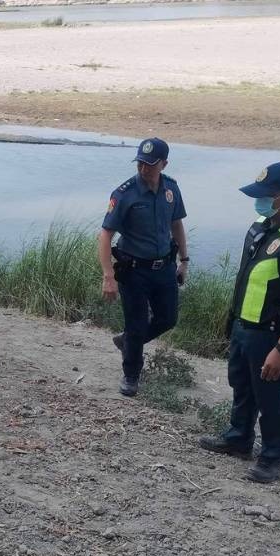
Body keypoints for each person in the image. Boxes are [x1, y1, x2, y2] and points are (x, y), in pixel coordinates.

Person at [199, 163, 280, 483]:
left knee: (270, 397)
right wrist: (233, 322)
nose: (260, 202)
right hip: (246, 326)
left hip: (273, 334)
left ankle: (271, 457)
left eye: (267, 196)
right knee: (241, 385)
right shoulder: (262, 224)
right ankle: (238, 438)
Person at [98, 137, 189, 397]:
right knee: (137, 324)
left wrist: (184, 261)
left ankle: (127, 341)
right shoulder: (124, 194)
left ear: (164, 164)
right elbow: (105, 235)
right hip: (134, 270)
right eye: (140, 163)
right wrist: (108, 276)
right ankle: (131, 374)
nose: (143, 169)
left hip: (164, 268)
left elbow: (177, 225)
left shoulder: (171, 189)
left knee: (168, 318)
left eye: (150, 164)